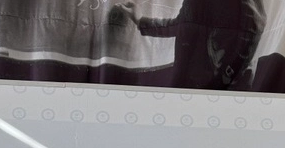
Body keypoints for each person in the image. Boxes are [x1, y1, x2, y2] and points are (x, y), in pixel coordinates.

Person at [113, 0, 266, 90]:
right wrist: (141, 20)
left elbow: (251, 32)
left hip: (217, 92)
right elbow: (183, 25)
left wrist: (222, 81)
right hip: (196, 88)